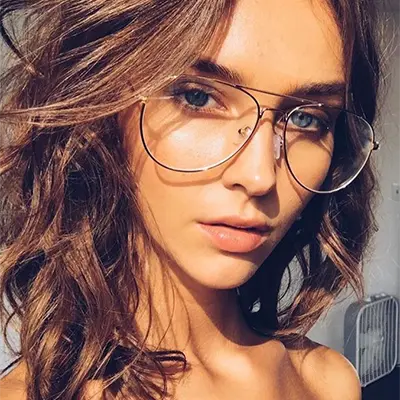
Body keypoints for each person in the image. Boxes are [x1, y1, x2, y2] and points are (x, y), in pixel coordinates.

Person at [0, 0, 384, 398]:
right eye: (198, 97)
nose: (259, 177)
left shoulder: (327, 382)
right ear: (103, 107)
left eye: (307, 118)